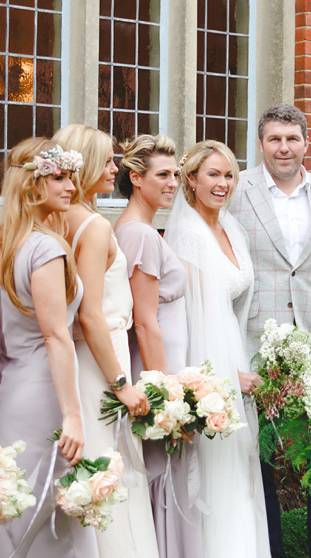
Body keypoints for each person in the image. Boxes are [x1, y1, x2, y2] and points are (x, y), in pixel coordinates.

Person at [228, 104, 311, 558]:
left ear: (306, 143)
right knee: (263, 466)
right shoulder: (235, 191)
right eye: (274, 139)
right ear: (261, 144)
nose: (283, 148)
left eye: (292, 139)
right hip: (253, 346)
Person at [0, 137, 99, 558]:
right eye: (58, 178)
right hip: (43, 390)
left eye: (71, 177)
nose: (71, 188)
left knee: (10, 500)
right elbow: (56, 334)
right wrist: (74, 417)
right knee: (44, 510)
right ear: (31, 186)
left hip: (4, 383)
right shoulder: (45, 247)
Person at [52, 124, 158, 558]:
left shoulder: (54, 218)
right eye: (108, 160)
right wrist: (120, 382)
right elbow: (90, 313)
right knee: (109, 473)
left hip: (79, 356)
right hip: (100, 362)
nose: (114, 168)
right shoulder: (92, 225)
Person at [165, 140, 269, 558]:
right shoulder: (189, 235)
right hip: (208, 364)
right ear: (191, 179)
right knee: (216, 469)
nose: (222, 183)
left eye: (228, 175)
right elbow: (191, 320)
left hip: (234, 350)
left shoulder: (230, 227)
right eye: (212, 174)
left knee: (239, 468)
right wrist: (224, 377)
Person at [113, 134, 202, 558]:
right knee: (160, 472)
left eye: (175, 174)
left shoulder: (144, 230)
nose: (172, 183)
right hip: (156, 371)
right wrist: (167, 398)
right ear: (135, 177)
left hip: (166, 366)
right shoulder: (140, 236)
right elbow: (145, 324)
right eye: (162, 175)